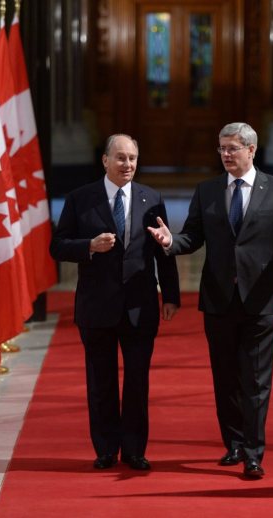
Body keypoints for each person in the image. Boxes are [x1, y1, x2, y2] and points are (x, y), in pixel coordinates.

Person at [148, 122, 273, 478]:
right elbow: (192, 237)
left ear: (251, 150)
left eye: (232, 148)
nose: (225, 154)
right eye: (221, 148)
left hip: (261, 300)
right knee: (225, 377)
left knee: (254, 379)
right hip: (219, 299)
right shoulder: (207, 190)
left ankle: (254, 453)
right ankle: (234, 443)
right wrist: (169, 242)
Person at [50, 134, 180, 471]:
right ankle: (106, 448)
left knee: (137, 380)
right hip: (97, 306)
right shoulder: (81, 198)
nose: (128, 165)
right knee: (101, 380)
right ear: (105, 161)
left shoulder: (151, 198)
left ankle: (134, 449)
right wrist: (89, 246)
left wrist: (171, 294)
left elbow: (163, 250)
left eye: (133, 158)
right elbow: (58, 245)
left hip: (140, 306)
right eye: (121, 158)